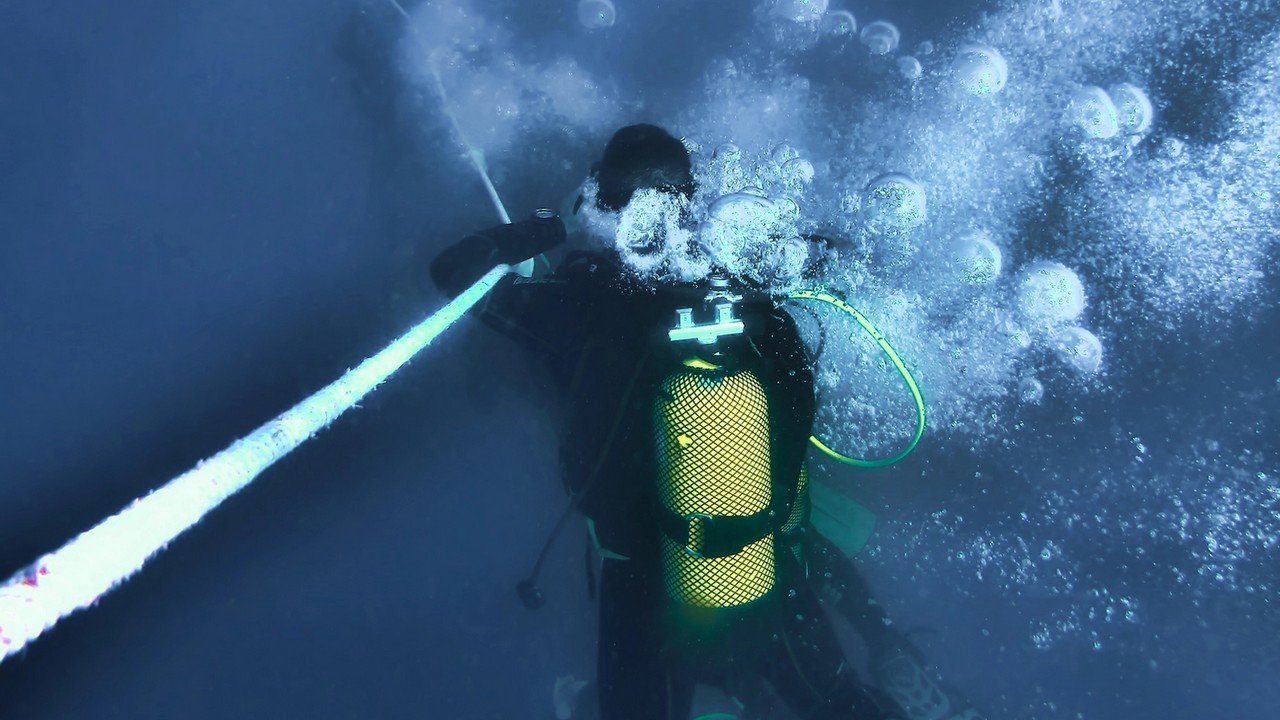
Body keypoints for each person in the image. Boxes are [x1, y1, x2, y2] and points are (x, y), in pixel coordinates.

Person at [430, 124, 981, 720]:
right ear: (690, 198)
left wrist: (556, 223)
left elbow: (454, 271)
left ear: (602, 198)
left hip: (639, 585)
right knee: (839, 705)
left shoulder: (585, 298)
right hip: (761, 567)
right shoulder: (747, 285)